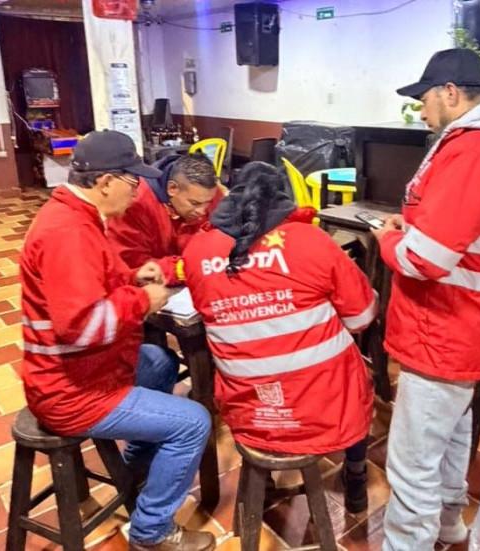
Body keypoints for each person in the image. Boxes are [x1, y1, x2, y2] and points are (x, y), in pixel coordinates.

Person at [19, 130, 215, 551]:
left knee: (159, 362)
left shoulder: (80, 218)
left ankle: (136, 468)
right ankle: (152, 531)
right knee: (194, 422)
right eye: (132, 181)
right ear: (106, 182)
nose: (138, 191)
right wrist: (142, 300)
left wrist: (131, 277)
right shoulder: (68, 232)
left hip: (87, 370)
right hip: (71, 390)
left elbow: (89, 286)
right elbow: (82, 326)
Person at [373, 49, 480, 550]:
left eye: (424, 100)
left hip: (445, 328)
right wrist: (412, 226)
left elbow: (425, 261)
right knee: (452, 431)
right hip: (470, 325)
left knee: (412, 459)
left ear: (450, 93)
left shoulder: (476, 150)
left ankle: (408, 543)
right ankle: (448, 523)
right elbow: (461, 230)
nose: (421, 111)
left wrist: (387, 239)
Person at [181, 162, 377, 513]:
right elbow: (361, 318)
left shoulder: (197, 251)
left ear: (230, 197)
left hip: (250, 412)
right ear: (283, 198)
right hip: (327, 408)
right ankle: (356, 478)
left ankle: (266, 482)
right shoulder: (311, 240)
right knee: (360, 376)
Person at [108, 152, 224, 286]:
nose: (202, 211)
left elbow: (225, 236)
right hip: (156, 286)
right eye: (194, 203)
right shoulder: (134, 204)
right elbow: (133, 265)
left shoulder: (209, 193)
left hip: (202, 275)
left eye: (208, 203)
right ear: (172, 188)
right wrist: (183, 268)